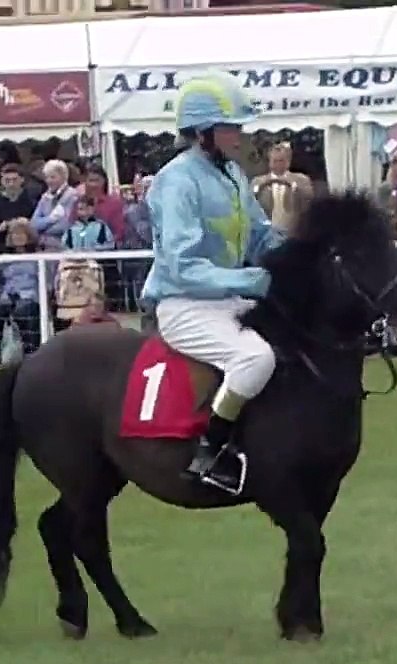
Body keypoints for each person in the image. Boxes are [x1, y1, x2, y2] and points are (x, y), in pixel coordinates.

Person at [143, 72, 279, 493]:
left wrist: (300, 256)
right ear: (203, 133)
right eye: (230, 127)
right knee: (256, 359)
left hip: (229, 298)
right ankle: (210, 451)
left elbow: (261, 235)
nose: (239, 135)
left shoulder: (233, 175)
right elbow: (183, 266)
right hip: (184, 305)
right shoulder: (176, 180)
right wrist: (253, 280)